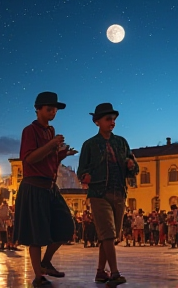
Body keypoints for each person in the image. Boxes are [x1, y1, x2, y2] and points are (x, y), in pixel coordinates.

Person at [13, 91, 77, 288]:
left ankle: (46, 262)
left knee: (67, 226)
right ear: (38, 109)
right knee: (36, 234)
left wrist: (61, 155)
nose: (53, 112)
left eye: (55, 109)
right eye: (49, 108)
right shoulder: (29, 131)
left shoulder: (50, 131)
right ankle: (38, 277)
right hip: (34, 187)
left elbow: (49, 159)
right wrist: (51, 145)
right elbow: (29, 159)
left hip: (50, 187)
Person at [77, 103, 139, 285]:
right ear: (97, 122)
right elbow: (82, 169)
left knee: (109, 237)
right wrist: (85, 176)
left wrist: (131, 165)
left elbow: (134, 168)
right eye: (108, 119)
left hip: (119, 192)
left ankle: (99, 272)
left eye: (113, 119)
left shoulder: (121, 142)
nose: (112, 122)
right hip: (99, 193)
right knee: (108, 234)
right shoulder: (89, 145)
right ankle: (114, 273)